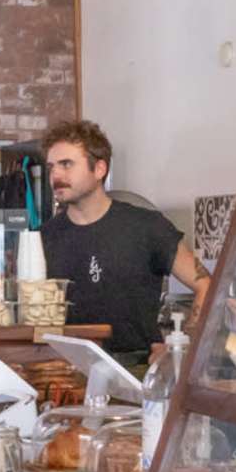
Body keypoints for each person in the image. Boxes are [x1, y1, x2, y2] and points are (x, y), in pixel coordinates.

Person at [34, 118, 205, 369]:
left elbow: (206, 286)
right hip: (66, 376)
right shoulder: (42, 238)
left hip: (138, 372)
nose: (56, 175)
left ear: (100, 169)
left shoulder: (146, 226)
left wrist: (182, 346)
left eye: (66, 164)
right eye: (51, 167)